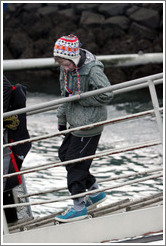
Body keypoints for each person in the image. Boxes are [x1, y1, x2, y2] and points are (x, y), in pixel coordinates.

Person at [53, 34, 113, 222]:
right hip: (75, 123)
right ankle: (95, 192)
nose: (65, 68)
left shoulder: (92, 69)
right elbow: (65, 94)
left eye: (67, 64)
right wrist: (61, 119)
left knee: (75, 165)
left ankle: (78, 207)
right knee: (64, 155)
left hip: (90, 124)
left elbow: (107, 94)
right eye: (62, 64)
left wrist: (83, 98)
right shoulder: (66, 68)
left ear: (75, 58)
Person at [3, 75, 31, 223]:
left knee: (9, 183)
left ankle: (12, 222)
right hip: (11, 144)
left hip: (11, 143)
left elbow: (6, 89)